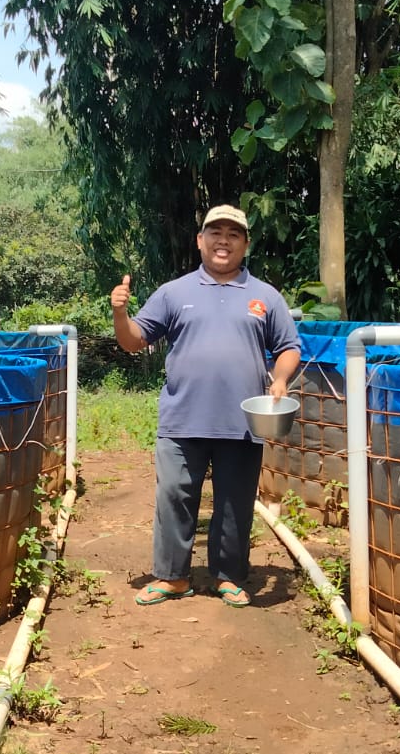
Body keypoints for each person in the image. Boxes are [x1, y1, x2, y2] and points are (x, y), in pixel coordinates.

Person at [110, 203, 301, 608]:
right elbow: (134, 341)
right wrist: (120, 312)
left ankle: (228, 577)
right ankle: (172, 576)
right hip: (182, 418)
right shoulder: (174, 292)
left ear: (245, 244)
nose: (223, 241)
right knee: (174, 495)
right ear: (200, 240)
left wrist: (281, 379)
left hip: (242, 421)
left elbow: (288, 347)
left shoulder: (265, 296)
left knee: (235, 501)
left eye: (233, 234)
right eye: (215, 233)